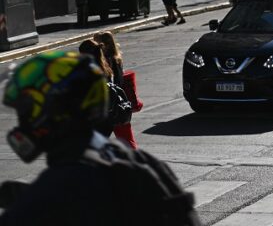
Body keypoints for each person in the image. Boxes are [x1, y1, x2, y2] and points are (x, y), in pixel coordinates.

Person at [0, 51, 199, 225]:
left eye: (26, 112)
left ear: (52, 113)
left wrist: (33, 201)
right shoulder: (145, 164)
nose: (21, 124)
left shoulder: (53, 192)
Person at [95, 31, 141, 149]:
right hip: (120, 102)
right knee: (126, 138)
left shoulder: (104, 61)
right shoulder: (117, 57)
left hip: (111, 105)